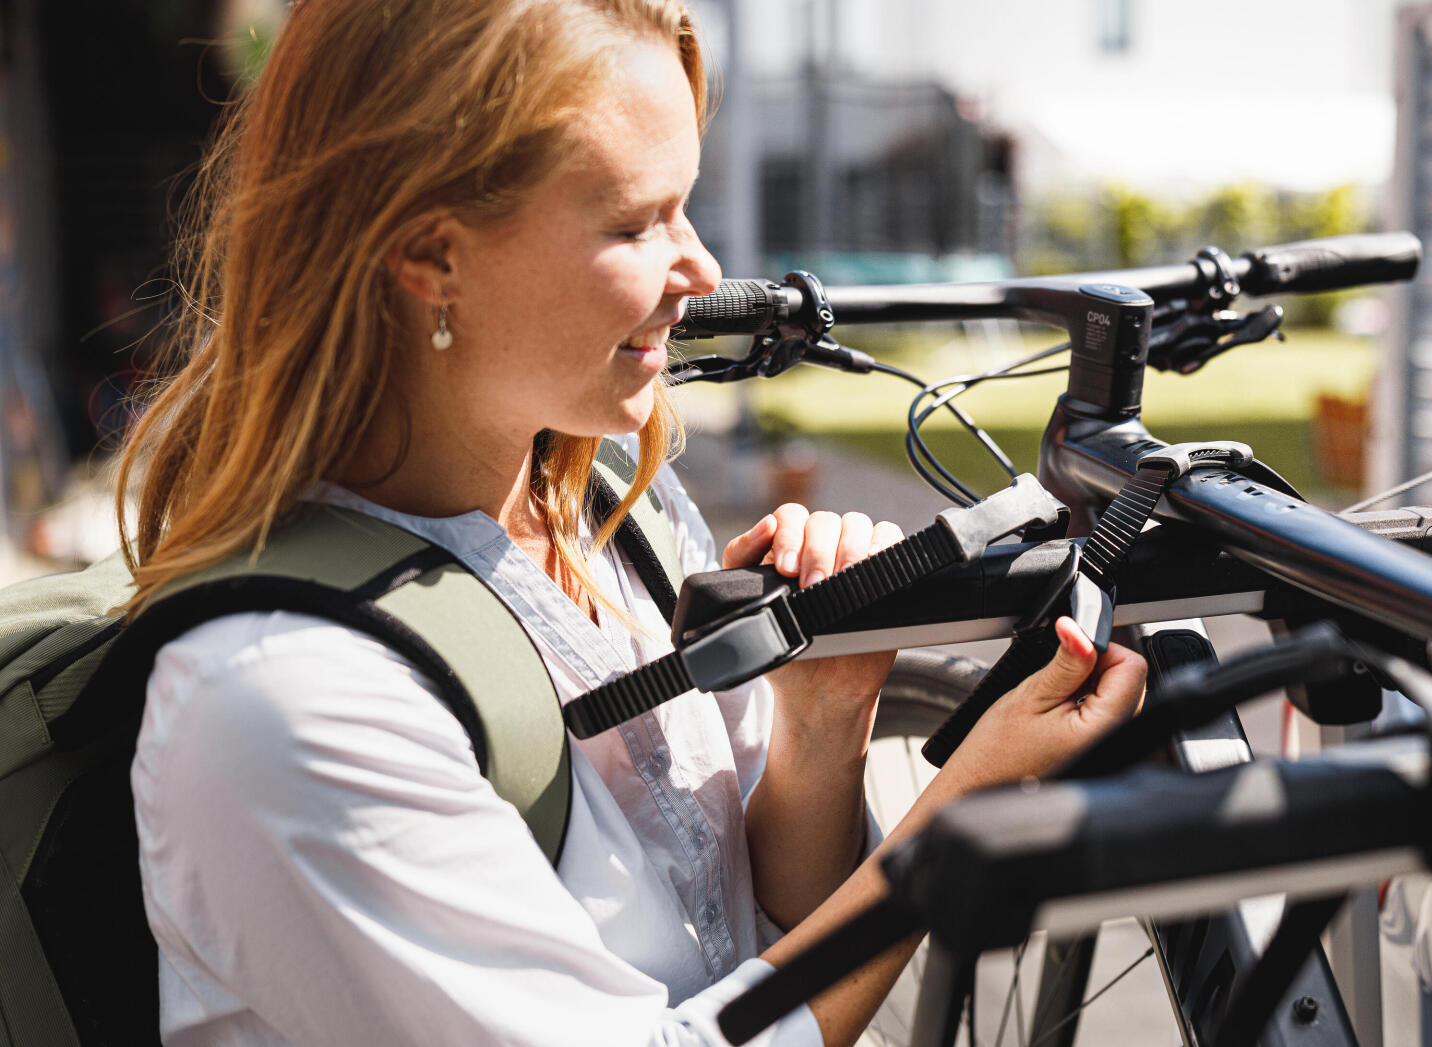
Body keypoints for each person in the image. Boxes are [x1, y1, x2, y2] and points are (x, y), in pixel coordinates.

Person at [117, 1, 1146, 1044]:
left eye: (685, 207)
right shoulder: (281, 697)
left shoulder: (615, 513)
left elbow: (759, 936)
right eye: (635, 223)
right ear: (431, 256)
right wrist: (954, 824)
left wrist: (822, 724)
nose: (700, 268)